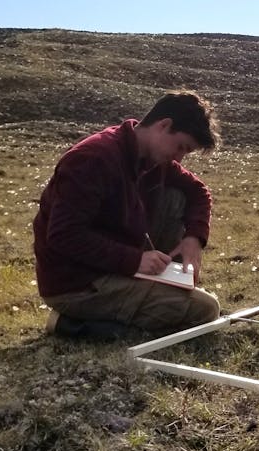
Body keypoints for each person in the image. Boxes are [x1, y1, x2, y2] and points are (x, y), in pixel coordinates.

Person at [34, 90, 222, 340]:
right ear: (163, 125)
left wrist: (194, 237)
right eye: (181, 147)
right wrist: (134, 260)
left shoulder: (151, 158)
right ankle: (72, 324)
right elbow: (64, 236)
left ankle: (165, 286)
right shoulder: (93, 159)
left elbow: (198, 191)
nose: (179, 158)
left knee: (178, 194)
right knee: (206, 310)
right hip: (78, 284)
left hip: (117, 262)